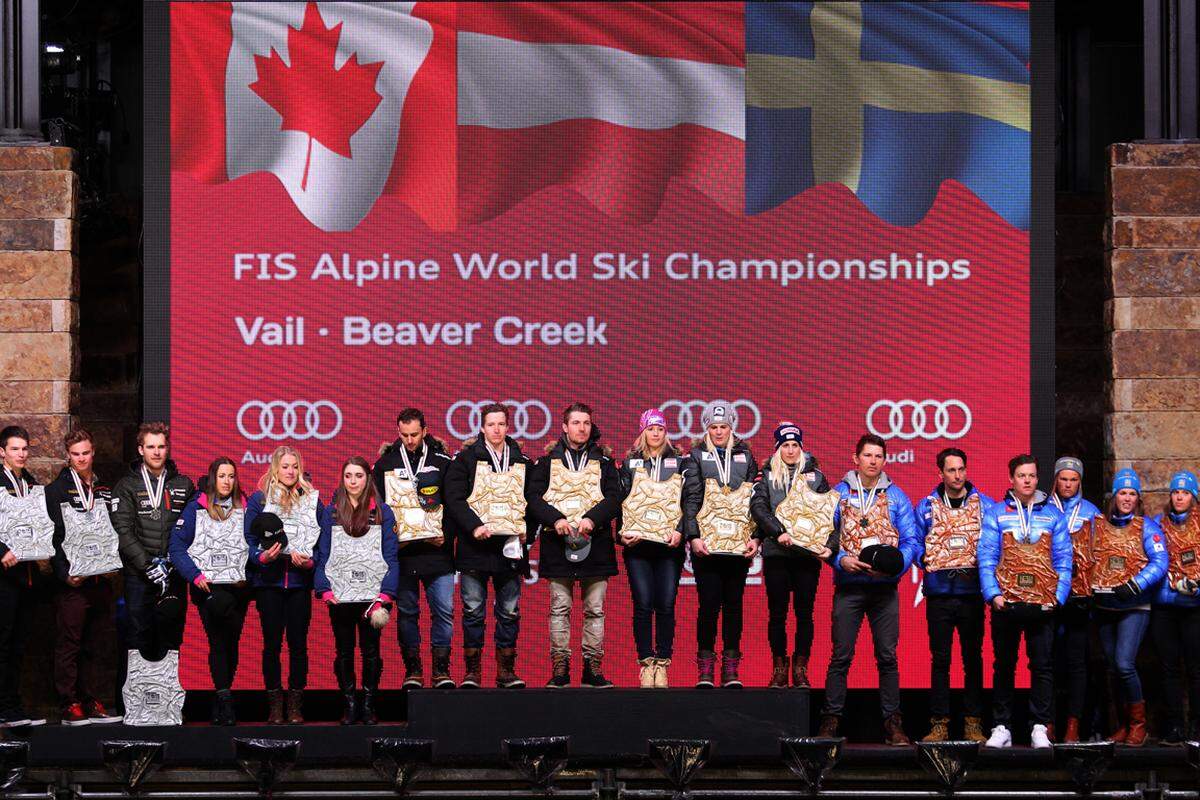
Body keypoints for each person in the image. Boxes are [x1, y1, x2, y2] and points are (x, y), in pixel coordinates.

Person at [818, 433, 918, 745]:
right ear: (855, 458)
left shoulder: (897, 497)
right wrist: (840, 561)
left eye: (879, 456)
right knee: (840, 657)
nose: (873, 461)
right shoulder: (838, 494)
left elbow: (912, 540)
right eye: (868, 456)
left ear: (885, 461)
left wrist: (895, 566)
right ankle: (830, 723)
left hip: (884, 590)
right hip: (849, 587)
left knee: (887, 657)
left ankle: (893, 724)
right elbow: (822, 536)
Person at [978, 454, 1072, 749]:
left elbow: (1064, 559)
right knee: (1004, 665)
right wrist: (993, 594)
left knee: (1042, 667)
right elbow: (986, 556)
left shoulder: (1053, 515)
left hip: (1042, 605)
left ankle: (1040, 727)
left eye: (1032, 475)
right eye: (1022, 476)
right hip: (1006, 604)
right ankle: (1002, 726)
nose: (1028, 480)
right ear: (1011, 479)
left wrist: (1057, 597)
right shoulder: (996, 513)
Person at [527, 403, 622, 688]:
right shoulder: (546, 463)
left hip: (597, 542)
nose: (582, 428)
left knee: (595, 609)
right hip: (558, 544)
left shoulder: (605, 463)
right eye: (576, 423)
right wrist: (555, 519)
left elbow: (615, 497)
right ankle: (560, 668)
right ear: (564, 427)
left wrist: (592, 519)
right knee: (560, 608)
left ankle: (592, 668)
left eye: (587, 423)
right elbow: (533, 497)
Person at [443, 403, 534, 689]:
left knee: (509, 611)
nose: (496, 429)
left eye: (501, 424)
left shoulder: (522, 461)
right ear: (482, 428)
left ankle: (506, 672)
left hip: (509, 549)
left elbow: (534, 503)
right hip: (475, 548)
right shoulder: (465, 460)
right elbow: (454, 499)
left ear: (509, 427)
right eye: (491, 424)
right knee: (473, 611)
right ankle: (472, 672)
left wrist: (527, 533)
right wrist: (474, 526)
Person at [913, 447, 993, 743]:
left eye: (961, 469)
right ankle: (940, 724)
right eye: (951, 470)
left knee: (973, 659)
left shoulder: (985, 505)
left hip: (972, 593)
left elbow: (994, 543)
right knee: (940, 660)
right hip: (939, 594)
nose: (957, 475)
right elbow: (914, 541)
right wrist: (928, 560)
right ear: (940, 473)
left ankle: (974, 724)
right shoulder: (926, 506)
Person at [373, 408, 456, 689]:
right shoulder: (385, 464)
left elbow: (455, 505)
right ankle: (414, 672)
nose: (409, 440)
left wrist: (447, 534)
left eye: (414, 434)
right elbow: (379, 511)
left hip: (437, 552)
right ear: (398, 432)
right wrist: (390, 538)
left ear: (425, 431)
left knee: (443, 611)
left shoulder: (443, 461)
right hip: (403, 555)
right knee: (407, 612)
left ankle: (441, 671)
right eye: (404, 435)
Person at [313, 456, 399, 725]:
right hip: (340, 597)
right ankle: (350, 704)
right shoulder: (331, 512)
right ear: (342, 479)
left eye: (359, 476)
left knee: (371, 651)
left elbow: (392, 557)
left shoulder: (383, 512)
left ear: (367, 479)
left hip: (373, 598)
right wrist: (324, 589)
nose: (353, 481)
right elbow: (322, 554)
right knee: (344, 651)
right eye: (348, 476)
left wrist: (386, 595)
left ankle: (369, 705)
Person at [44, 429, 122, 725]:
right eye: (75, 454)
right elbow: (51, 537)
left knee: (96, 643)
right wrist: (65, 575)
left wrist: (112, 563)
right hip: (73, 584)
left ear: (93, 453)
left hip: (99, 581)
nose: (81, 459)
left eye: (85, 453)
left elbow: (111, 531)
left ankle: (91, 701)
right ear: (68, 455)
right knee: (70, 643)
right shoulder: (56, 490)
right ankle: (69, 703)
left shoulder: (103, 489)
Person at [1084, 468, 1166, 747]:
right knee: (1111, 667)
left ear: (1138, 498)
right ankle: (1122, 723)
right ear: (1114, 496)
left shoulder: (1148, 528)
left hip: (1134, 605)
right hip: (1105, 605)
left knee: (1124, 664)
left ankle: (1139, 724)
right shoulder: (1098, 526)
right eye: (1123, 492)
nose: (1127, 498)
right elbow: (1087, 556)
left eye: (1132, 493)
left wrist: (1135, 584)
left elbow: (1159, 563)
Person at [682, 402, 760, 688]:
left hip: (738, 546)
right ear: (706, 428)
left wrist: (756, 537)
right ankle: (705, 667)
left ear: (732, 427)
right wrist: (693, 536)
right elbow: (691, 498)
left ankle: (731, 667)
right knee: (708, 606)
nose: (718, 431)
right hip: (706, 545)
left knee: (734, 606)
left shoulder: (746, 456)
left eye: (723, 426)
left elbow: (756, 500)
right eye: (713, 427)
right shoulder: (695, 455)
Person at [169, 458, 253, 726]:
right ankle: (225, 701)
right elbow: (177, 547)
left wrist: (248, 573)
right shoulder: (197, 507)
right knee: (218, 641)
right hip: (209, 589)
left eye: (231, 476)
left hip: (238, 589)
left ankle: (221, 698)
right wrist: (194, 576)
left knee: (232, 642)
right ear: (212, 479)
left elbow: (255, 546)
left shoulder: (247, 506)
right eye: (222, 476)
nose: (227, 481)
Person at [749, 422, 831, 690]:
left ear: (802, 448)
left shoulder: (816, 477)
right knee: (777, 614)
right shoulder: (767, 475)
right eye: (785, 445)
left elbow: (829, 514)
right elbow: (758, 508)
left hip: (807, 556)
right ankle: (779, 668)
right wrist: (778, 532)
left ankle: (801, 668)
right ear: (777, 449)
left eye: (795, 445)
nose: (791, 450)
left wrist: (828, 544)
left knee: (805, 613)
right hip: (777, 553)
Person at [245, 446, 321, 723]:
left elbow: (322, 543)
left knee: (299, 645)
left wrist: (311, 564)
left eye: (295, 467)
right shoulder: (259, 500)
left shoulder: (311, 499)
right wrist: (262, 557)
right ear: (275, 468)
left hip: (299, 584)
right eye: (285, 466)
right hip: (270, 584)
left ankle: (295, 706)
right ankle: (275, 705)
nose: (290, 472)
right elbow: (248, 543)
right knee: (272, 645)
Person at [112, 422, 195, 663]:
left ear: (168, 449)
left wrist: (175, 563)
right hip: (139, 576)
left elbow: (192, 531)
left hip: (173, 575)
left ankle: (168, 701)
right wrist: (148, 565)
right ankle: (133, 701)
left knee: (171, 641)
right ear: (140, 450)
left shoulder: (183, 484)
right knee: (138, 639)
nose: (156, 452)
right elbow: (122, 531)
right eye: (151, 447)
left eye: (161, 446)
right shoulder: (126, 486)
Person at [618, 409, 689, 688]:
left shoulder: (680, 462)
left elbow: (690, 502)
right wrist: (621, 534)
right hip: (638, 547)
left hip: (669, 546)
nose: (656, 433)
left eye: (660, 428)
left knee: (666, 604)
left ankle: (664, 663)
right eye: (651, 429)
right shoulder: (630, 463)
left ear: (666, 431)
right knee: (643, 604)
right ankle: (646, 663)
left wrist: (681, 531)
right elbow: (620, 500)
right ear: (643, 432)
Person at [1049, 456, 1102, 742]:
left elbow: (1100, 556)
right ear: (1055, 480)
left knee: (1078, 663)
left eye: (1073, 480)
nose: (1068, 484)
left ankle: (1074, 724)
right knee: (1048, 661)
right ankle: (1048, 723)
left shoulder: (1092, 513)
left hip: (1080, 599)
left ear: (1080, 482)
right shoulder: (1044, 508)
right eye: (1063, 479)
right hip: (1049, 594)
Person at [0, 425, 50, 727]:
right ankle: (3, 707)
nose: (21, 453)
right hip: (2, 575)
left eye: (25, 448)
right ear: (2, 452)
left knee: (19, 643)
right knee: (3, 642)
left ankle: (12, 705)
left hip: (25, 574)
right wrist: (0, 550)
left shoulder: (29, 482)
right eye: (15, 448)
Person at [1152, 471, 1200, 744]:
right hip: (1165, 606)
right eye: (1175, 492)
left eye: (1185, 492)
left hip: (1194, 606)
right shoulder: (1158, 524)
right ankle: (1174, 726)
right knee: (1168, 667)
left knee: (1195, 668)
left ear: (1193, 496)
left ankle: (1196, 725)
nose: (1179, 496)